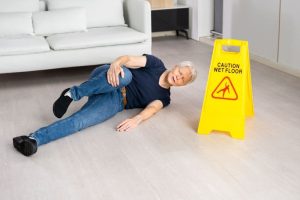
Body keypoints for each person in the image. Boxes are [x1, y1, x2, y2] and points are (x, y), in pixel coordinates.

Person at [12, 54, 197, 156]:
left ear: (183, 85)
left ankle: (33, 139)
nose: (178, 77)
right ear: (175, 66)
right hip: (110, 77)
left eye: (183, 79)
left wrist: (137, 119)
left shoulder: (164, 97)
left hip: (116, 101)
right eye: (180, 72)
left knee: (80, 122)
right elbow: (129, 60)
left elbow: (152, 108)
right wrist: (116, 63)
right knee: (127, 75)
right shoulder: (156, 64)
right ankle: (72, 93)